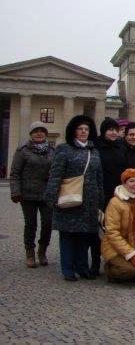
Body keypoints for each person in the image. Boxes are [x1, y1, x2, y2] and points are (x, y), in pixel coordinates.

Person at [44, 115, 104, 281]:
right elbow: (56, 174)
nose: (83, 131)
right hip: (69, 198)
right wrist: (52, 197)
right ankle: (68, 269)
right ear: (73, 131)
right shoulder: (64, 149)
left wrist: (100, 200)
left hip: (89, 201)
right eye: (80, 129)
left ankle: (82, 267)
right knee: (68, 236)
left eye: (86, 129)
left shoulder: (94, 151)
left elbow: (99, 178)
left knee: (84, 236)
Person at [10, 121, 55, 268]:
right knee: (31, 224)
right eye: (36, 131)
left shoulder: (52, 151)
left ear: (46, 134)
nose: (39, 133)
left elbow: (57, 171)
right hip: (28, 193)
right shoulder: (22, 151)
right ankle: (30, 253)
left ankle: (42, 251)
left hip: (47, 193)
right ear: (31, 134)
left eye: (42, 131)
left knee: (48, 223)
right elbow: (15, 173)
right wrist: (15, 192)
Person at [93, 117, 128, 275]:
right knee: (98, 230)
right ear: (103, 131)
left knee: (115, 230)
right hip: (100, 192)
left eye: (116, 130)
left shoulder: (121, 147)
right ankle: (95, 262)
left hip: (118, 194)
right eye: (110, 130)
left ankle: (113, 261)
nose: (114, 133)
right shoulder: (95, 147)